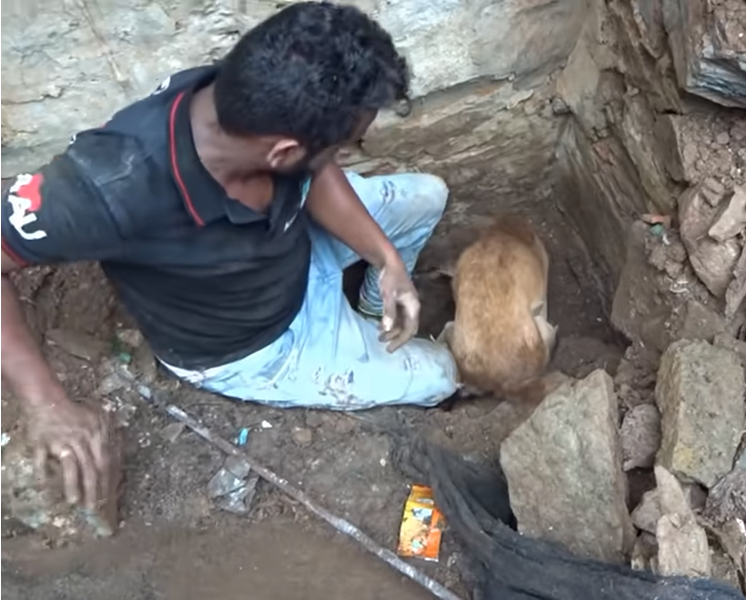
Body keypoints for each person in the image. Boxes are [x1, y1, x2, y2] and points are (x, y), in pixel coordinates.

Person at [0, 2, 459, 515]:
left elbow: (314, 172)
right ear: (282, 152)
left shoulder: (245, 96)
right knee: (443, 375)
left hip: (290, 250)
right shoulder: (109, 189)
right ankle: (352, 335)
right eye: (346, 147)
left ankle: (374, 311)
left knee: (428, 196)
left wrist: (386, 260)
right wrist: (44, 403)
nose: (348, 155)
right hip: (253, 343)